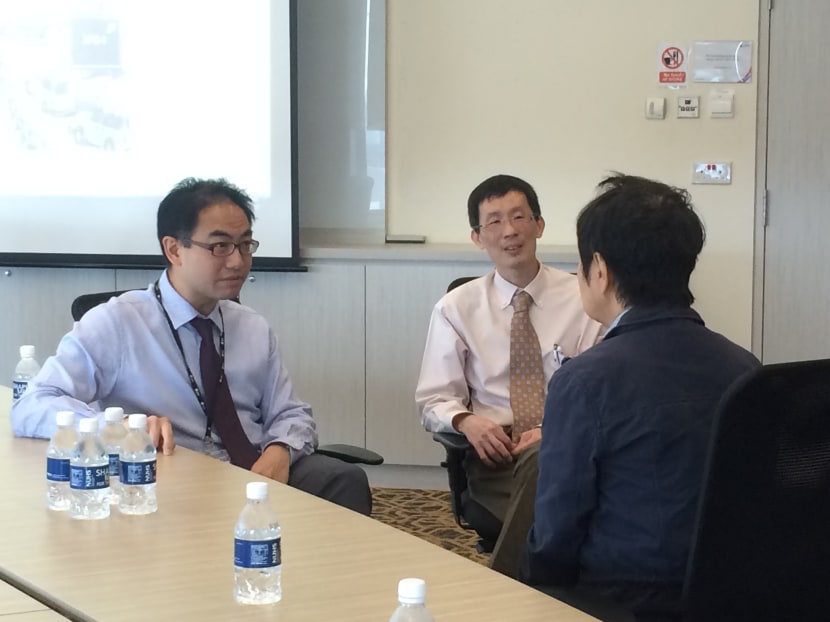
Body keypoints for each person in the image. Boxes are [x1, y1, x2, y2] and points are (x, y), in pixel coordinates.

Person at [11, 177, 372, 515]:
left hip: (256, 475)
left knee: (343, 481)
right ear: (174, 249)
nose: (238, 260)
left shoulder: (251, 327)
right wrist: (116, 428)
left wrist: (280, 451)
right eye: (220, 246)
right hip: (173, 477)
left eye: (245, 244)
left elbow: (291, 414)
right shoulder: (117, 323)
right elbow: (32, 404)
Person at [519, 173, 760, 621]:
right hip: (733, 593)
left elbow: (557, 531)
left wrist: (525, 589)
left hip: (618, 599)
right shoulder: (744, 367)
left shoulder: (585, 380)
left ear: (600, 270)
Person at [415, 174, 602, 573]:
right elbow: (433, 399)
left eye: (519, 217)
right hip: (498, 460)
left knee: (574, 520)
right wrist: (467, 421)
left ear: (539, 225)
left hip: (574, 452)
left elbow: (604, 389)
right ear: (477, 237)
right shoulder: (455, 308)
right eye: (495, 222)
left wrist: (556, 432)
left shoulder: (584, 298)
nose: (510, 231)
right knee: (564, 524)